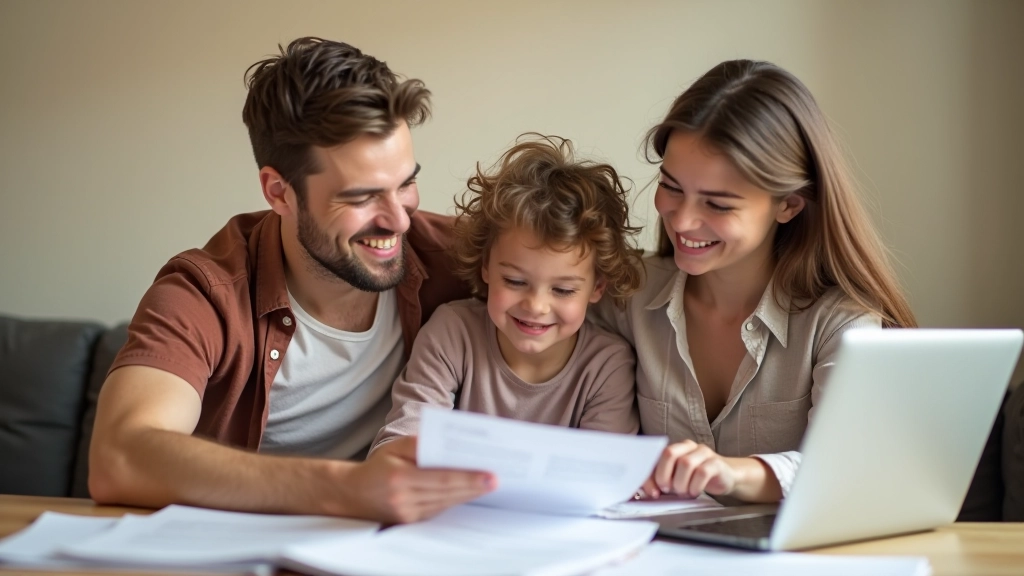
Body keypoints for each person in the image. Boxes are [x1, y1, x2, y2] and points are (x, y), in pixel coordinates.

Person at [88, 37, 496, 523]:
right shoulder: (205, 290)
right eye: (363, 197)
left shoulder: (460, 256)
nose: (399, 220)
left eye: (405, 183)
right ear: (279, 192)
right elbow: (119, 456)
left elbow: (594, 281)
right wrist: (348, 489)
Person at [593, 60, 917, 504]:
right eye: (671, 186)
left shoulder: (840, 322)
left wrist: (730, 473)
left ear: (788, 206)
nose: (683, 220)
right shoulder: (623, 293)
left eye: (718, 204)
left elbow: (849, 471)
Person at [372, 135, 644, 450]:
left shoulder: (607, 364)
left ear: (597, 287)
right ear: (486, 266)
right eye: (515, 281)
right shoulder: (452, 333)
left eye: (563, 289)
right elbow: (402, 441)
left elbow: (604, 473)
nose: (537, 305)